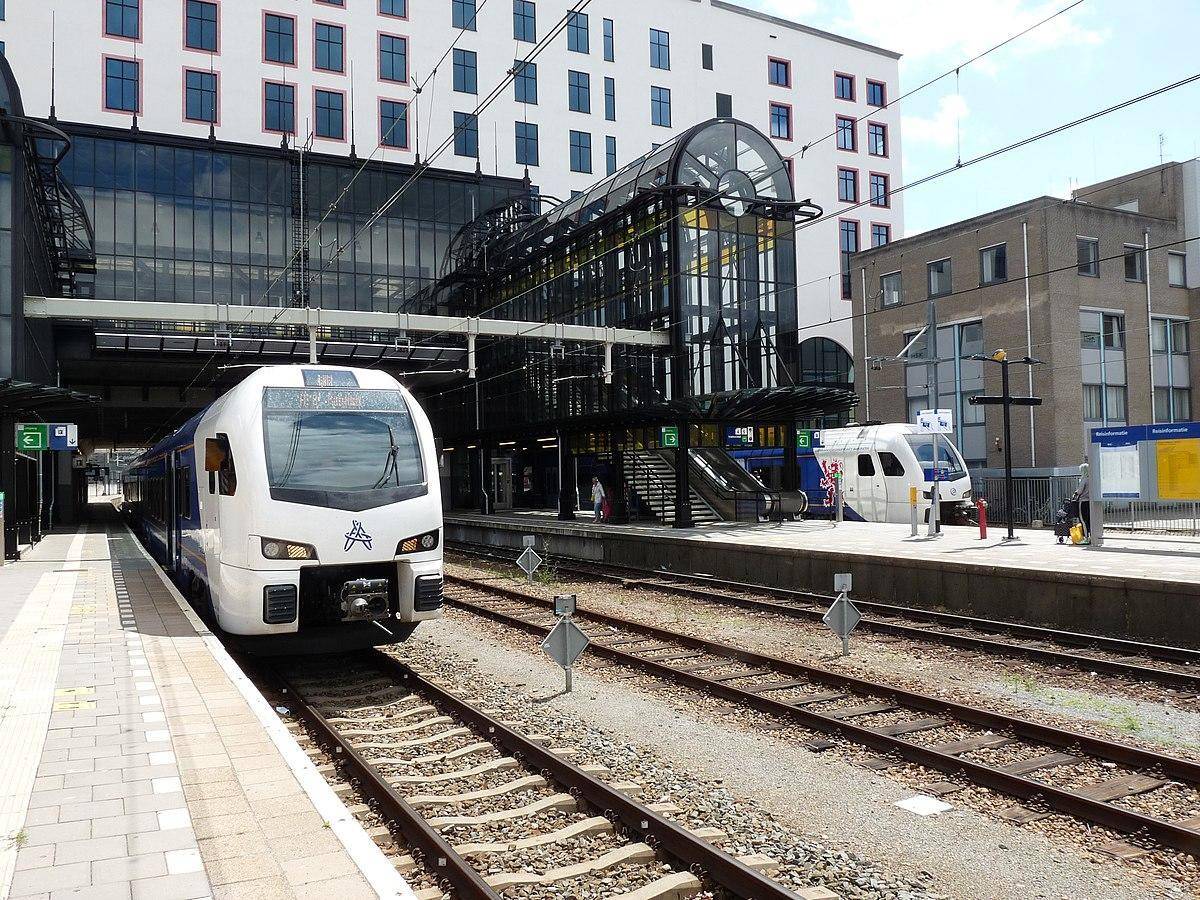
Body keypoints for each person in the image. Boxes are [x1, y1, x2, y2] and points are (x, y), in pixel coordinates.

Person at [1076, 456, 1091, 540]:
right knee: (1089, 519)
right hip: (1090, 502)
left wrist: (1076, 492)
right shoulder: (1092, 479)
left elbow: (1079, 491)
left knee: (1083, 520)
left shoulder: (1084, 479)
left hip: (1083, 501)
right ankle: (1092, 536)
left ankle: (1086, 537)